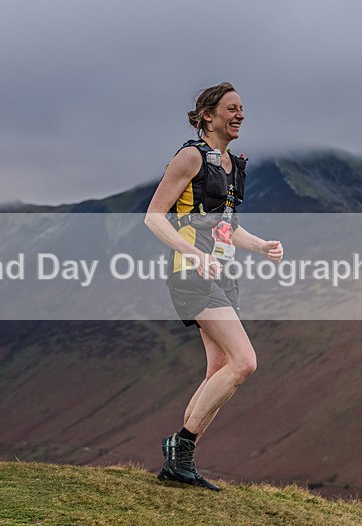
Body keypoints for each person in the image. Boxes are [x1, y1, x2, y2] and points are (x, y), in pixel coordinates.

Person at [145, 82, 283, 490]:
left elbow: (227, 226)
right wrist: (192, 254)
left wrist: (260, 245)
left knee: (220, 369)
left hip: (222, 274)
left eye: (242, 109)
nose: (240, 115)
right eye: (232, 108)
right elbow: (154, 217)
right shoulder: (190, 157)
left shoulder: (233, 164)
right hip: (190, 274)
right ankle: (180, 445)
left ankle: (180, 463)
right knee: (245, 361)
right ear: (208, 115)